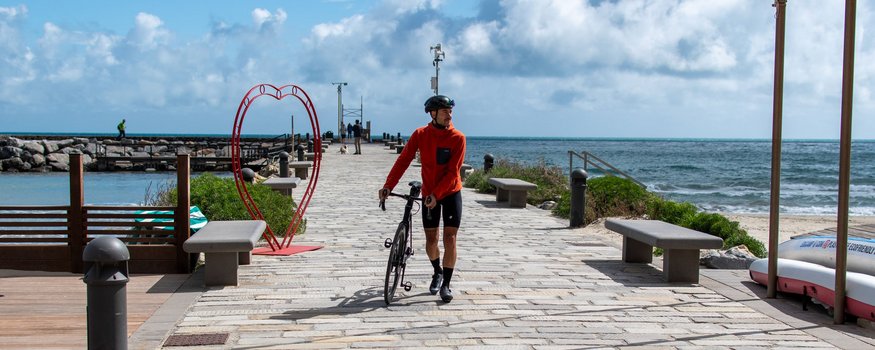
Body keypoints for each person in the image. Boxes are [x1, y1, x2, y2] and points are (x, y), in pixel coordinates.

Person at [378, 95, 465, 302]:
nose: (449, 115)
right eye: (445, 111)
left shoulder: (458, 138)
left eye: (450, 111)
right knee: (431, 240)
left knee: (450, 238)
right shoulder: (420, 134)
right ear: (433, 114)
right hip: (429, 194)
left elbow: (453, 172)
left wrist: (437, 195)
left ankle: (446, 284)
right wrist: (388, 186)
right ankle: (437, 271)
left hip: (451, 192)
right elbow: (403, 161)